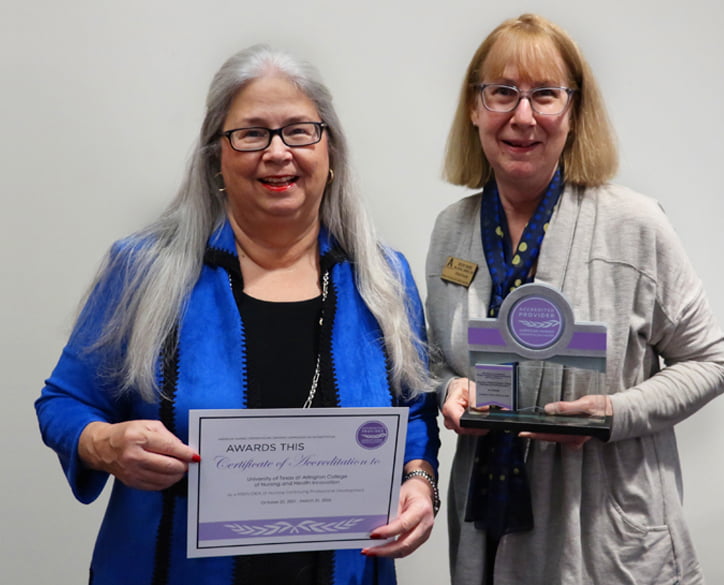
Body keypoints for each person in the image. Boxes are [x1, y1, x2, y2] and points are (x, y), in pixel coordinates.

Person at [35, 44, 440, 585]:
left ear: (331, 152)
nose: (277, 152)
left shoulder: (383, 278)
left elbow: (413, 412)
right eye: (251, 133)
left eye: (299, 130)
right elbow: (64, 401)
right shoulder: (142, 270)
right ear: (216, 157)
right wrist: (102, 444)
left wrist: (419, 481)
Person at [426, 13, 724, 585]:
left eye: (546, 94)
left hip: (603, 535)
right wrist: (451, 389)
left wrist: (613, 414)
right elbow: (440, 360)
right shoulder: (452, 231)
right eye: (502, 93)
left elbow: (711, 362)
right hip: (486, 529)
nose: (523, 116)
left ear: (573, 112)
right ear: (474, 108)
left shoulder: (634, 225)